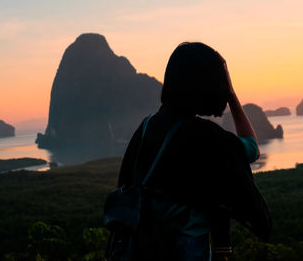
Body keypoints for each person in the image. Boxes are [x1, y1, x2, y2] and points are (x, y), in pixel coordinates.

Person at [109, 42, 271, 261]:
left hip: (141, 245)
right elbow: (251, 149)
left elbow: (125, 181)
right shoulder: (204, 135)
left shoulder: (146, 127)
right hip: (187, 247)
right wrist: (232, 95)